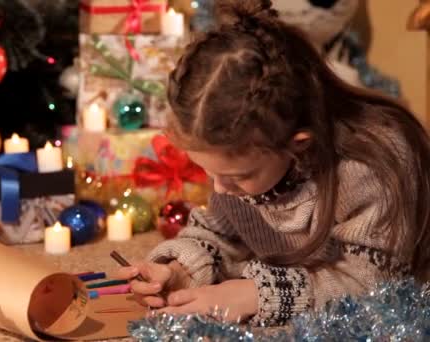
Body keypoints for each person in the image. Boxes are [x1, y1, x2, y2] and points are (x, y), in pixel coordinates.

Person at [116, 0, 430, 326]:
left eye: (239, 176)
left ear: (297, 145)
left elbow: (373, 284)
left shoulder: (368, 167)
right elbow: (223, 234)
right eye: (209, 172)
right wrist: (178, 271)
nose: (220, 188)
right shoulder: (248, 170)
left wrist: (256, 294)